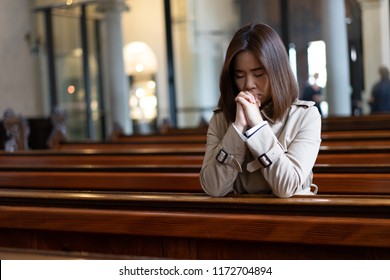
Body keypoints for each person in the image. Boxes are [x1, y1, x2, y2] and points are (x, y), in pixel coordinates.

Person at [199, 23, 322, 198]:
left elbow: (286, 186)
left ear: (277, 72)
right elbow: (213, 188)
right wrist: (238, 127)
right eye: (239, 75)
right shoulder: (221, 119)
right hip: (236, 219)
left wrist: (257, 127)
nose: (248, 84)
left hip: (293, 218)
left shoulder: (305, 116)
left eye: (258, 74)